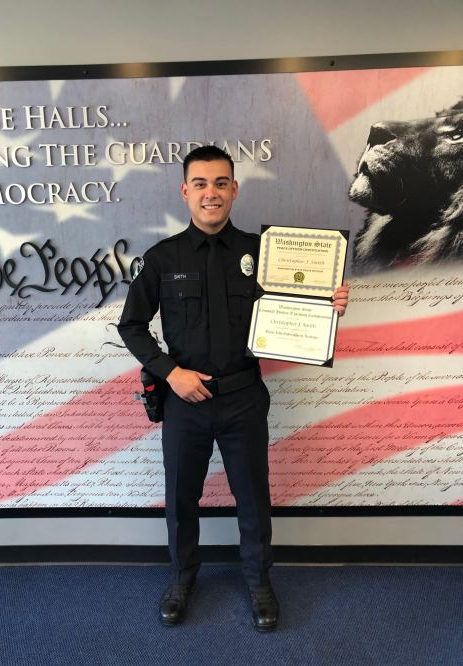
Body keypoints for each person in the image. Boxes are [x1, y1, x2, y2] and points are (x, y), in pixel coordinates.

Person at [118, 146, 349, 631]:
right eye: (201, 183)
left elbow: (298, 304)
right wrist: (170, 373)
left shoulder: (264, 253)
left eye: (221, 183)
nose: (211, 193)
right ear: (185, 191)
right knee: (181, 499)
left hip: (244, 398)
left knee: (253, 498)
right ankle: (182, 579)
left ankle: (259, 581)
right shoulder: (162, 258)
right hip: (185, 400)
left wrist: (328, 302)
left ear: (234, 190)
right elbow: (132, 325)